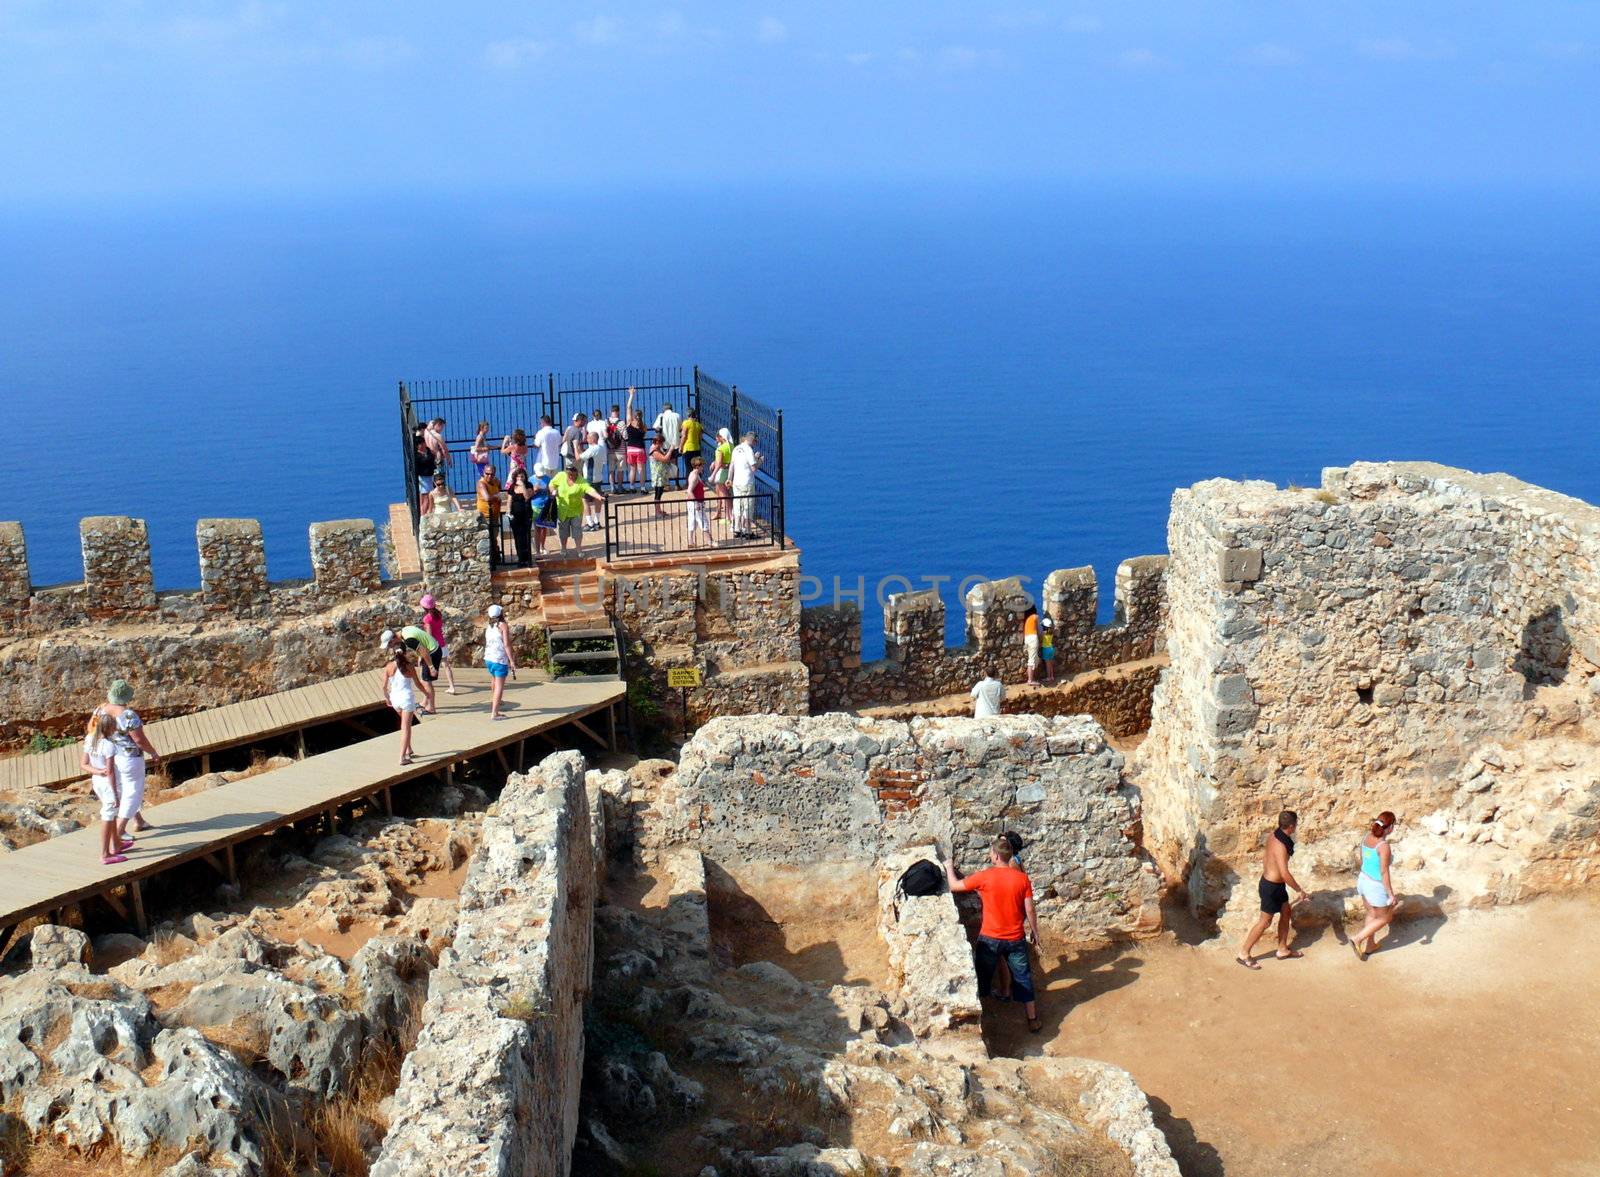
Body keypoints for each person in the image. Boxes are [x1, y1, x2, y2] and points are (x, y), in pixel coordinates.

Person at [945, 836, 1042, 1033]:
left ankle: (981, 1021)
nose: (990, 855)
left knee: (982, 977)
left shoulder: (985, 876)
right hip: (1015, 938)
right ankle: (1032, 1019)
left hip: (989, 938)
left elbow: (955, 886)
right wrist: (1035, 932)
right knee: (1023, 978)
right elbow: (1030, 909)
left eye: (991, 852)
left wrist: (948, 867)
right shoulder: (1022, 879)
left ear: (996, 856)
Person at [1237, 810, 1309, 969]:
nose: (1296, 826)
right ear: (1291, 826)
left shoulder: (1274, 834)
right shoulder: (1281, 845)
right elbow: (1284, 873)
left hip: (1276, 886)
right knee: (1265, 922)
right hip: (1270, 887)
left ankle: (1282, 949)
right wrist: (1299, 890)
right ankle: (1244, 953)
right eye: (1296, 824)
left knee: (1286, 911)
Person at [100, 680, 159, 842]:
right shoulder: (128, 715)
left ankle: (138, 821)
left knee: (124, 789)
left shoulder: (102, 709)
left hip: (113, 756)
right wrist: (153, 752)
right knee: (133, 792)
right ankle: (119, 830)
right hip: (131, 758)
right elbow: (139, 740)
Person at [1350, 812, 1400, 960]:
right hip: (1375, 885)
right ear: (1390, 827)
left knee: (1372, 913)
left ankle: (1370, 945)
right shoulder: (1383, 846)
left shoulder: (1366, 837)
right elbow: (1384, 872)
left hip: (1363, 880)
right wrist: (1391, 894)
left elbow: (1362, 857)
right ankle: (1357, 939)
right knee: (1385, 917)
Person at [81, 710, 125, 864]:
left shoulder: (89, 739)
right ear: (109, 729)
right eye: (114, 727)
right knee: (108, 815)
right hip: (108, 785)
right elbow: (111, 772)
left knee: (110, 813)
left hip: (97, 782)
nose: (116, 730)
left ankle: (116, 844)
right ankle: (105, 854)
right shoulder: (108, 746)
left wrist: (98, 771)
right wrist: (116, 794)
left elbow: (84, 764)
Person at [549, 461, 606, 554]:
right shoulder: (561, 475)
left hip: (576, 510)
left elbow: (589, 490)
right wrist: (553, 491)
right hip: (562, 510)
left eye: (572, 473)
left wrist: (598, 496)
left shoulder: (581, 481)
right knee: (563, 531)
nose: (570, 475)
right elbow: (551, 484)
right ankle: (563, 548)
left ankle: (579, 549)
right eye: (568, 473)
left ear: (577, 472)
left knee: (577, 531)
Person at [381, 646, 423, 765]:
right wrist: (426, 693)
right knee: (406, 728)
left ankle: (408, 749)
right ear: (405, 652)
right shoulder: (408, 666)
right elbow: (418, 683)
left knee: (404, 725)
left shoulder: (388, 667)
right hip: (406, 699)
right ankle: (402, 757)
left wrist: (387, 698)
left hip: (395, 699)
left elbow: (384, 686)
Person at [484, 603, 518, 720]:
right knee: (499, 687)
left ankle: (495, 702)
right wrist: (512, 661)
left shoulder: (489, 625)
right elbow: (507, 645)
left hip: (488, 658)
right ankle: (495, 713)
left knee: (494, 680)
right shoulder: (503, 625)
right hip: (499, 659)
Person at [419, 593, 456, 695]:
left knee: (427, 665)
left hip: (433, 646)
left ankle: (427, 684)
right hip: (441, 643)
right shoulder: (439, 614)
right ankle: (452, 686)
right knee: (446, 665)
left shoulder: (427, 618)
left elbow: (429, 636)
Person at [731, 431, 763, 538]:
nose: (755, 443)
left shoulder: (736, 448)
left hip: (736, 482)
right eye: (755, 441)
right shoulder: (749, 450)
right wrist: (760, 461)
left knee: (737, 504)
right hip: (747, 483)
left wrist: (729, 479)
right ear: (752, 440)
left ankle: (736, 528)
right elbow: (753, 468)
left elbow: (732, 465)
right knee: (748, 506)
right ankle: (748, 531)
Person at [506, 468, 536, 567]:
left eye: (522, 476)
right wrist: (508, 511)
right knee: (517, 537)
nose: (520, 478)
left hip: (526, 514)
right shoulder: (512, 487)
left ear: (525, 477)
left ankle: (527, 558)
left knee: (526, 536)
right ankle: (520, 558)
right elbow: (509, 500)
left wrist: (522, 485)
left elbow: (527, 496)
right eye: (518, 476)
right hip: (515, 515)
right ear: (515, 477)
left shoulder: (529, 485)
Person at [476, 465, 503, 566]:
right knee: (487, 537)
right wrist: (497, 496)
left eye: (492, 474)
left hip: (495, 514)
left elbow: (500, 490)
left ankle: (496, 557)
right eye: (487, 474)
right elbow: (487, 498)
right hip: (485, 515)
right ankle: (491, 560)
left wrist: (497, 497)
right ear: (483, 473)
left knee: (494, 536)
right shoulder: (481, 483)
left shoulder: (496, 481)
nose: (489, 476)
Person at [623, 386, 649, 494]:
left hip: (630, 449)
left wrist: (631, 395)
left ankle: (632, 487)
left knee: (632, 469)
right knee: (641, 469)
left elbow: (628, 407)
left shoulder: (629, 422)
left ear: (634, 416)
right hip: (640, 449)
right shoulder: (644, 426)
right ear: (641, 416)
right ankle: (643, 488)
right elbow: (644, 435)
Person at [710, 428, 735, 524]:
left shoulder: (720, 448)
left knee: (724, 495)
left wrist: (713, 475)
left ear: (721, 437)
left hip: (721, 473)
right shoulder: (732, 446)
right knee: (728, 495)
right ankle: (730, 515)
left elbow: (719, 463)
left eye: (718, 436)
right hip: (730, 472)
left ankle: (728, 517)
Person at [686, 456, 711, 548]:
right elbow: (689, 491)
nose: (703, 468)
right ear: (698, 466)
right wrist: (696, 503)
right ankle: (710, 541)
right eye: (702, 466)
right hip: (696, 503)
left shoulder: (694, 474)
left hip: (692, 503)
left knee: (692, 522)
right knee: (703, 521)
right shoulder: (695, 476)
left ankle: (690, 541)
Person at [414, 426, 438, 516]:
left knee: (429, 496)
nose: (425, 445)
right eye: (423, 443)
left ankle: (426, 513)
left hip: (429, 476)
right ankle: (423, 515)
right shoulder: (418, 456)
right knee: (426, 497)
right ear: (419, 445)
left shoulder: (427, 451)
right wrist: (430, 456)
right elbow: (427, 460)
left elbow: (431, 457)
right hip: (424, 477)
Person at [648, 434, 672, 516]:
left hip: (660, 474)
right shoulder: (654, 451)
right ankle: (657, 512)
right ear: (658, 442)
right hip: (658, 475)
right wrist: (671, 450)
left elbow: (664, 456)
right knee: (658, 493)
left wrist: (667, 451)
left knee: (659, 492)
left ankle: (659, 510)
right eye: (662, 443)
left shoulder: (656, 448)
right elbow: (664, 459)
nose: (662, 445)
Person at [605, 403, 627, 490]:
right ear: (618, 412)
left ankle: (612, 487)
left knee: (611, 470)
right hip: (620, 450)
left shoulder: (606, 422)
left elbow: (605, 436)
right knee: (620, 470)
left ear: (611, 411)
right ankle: (620, 486)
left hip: (610, 450)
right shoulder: (621, 423)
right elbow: (625, 436)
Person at [679, 406, 704, 479]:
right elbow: (700, 438)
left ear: (688, 415)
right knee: (697, 467)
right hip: (697, 448)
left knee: (689, 467)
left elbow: (684, 436)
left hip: (688, 448)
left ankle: (689, 484)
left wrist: (680, 446)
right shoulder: (698, 425)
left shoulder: (686, 423)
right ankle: (698, 483)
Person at [1022, 606, 1041, 685]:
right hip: (1033, 638)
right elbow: (1038, 630)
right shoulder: (1035, 617)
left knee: (1032, 658)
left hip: (1026, 638)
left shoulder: (1026, 619)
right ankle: (1030, 680)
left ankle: (1032, 678)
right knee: (1032, 660)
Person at [1038, 614, 1057, 684]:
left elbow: (1040, 638)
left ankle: (1048, 677)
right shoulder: (1051, 632)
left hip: (1046, 649)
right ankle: (1052, 676)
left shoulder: (1044, 633)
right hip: (1051, 648)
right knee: (1051, 664)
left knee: (1047, 665)